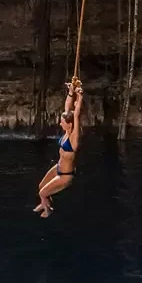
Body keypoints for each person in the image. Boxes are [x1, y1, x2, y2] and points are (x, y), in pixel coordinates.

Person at [34, 80, 83, 218]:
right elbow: (68, 108)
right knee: (41, 187)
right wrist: (71, 92)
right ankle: (45, 203)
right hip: (58, 168)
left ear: (70, 125)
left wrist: (79, 96)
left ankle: (48, 210)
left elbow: (76, 114)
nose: (60, 124)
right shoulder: (67, 131)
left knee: (42, 193)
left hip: (65, 175)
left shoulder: (74, 138)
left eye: (62, 123)